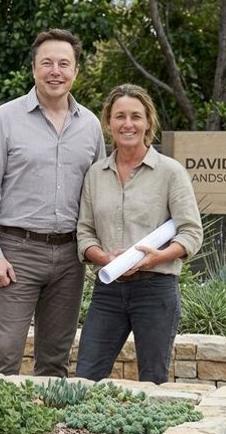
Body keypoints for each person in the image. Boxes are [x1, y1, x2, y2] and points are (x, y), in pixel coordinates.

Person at [0, 29, 106, 377]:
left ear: (76, 71)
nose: (55, 71)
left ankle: (47, 430)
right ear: (33, 69)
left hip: (70, 257)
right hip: (17, 253)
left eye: (64, 63)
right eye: (47, 63)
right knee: (4, 354)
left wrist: (100, 250)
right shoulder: (5, 119)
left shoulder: (90, 125)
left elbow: (99, 193)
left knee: (55, 360)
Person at [75, 84, 203, 384]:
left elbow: (191, 232)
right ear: (109, 123)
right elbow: (84, 232)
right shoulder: (95, 175)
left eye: (136, 116)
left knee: (153, 381)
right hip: (108, 291)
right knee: (85, 377)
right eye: (120, 116)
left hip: (155, 291)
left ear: (148, 123)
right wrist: (103, 257)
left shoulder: (170, 172)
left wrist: (157, 257)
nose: (127, 124)